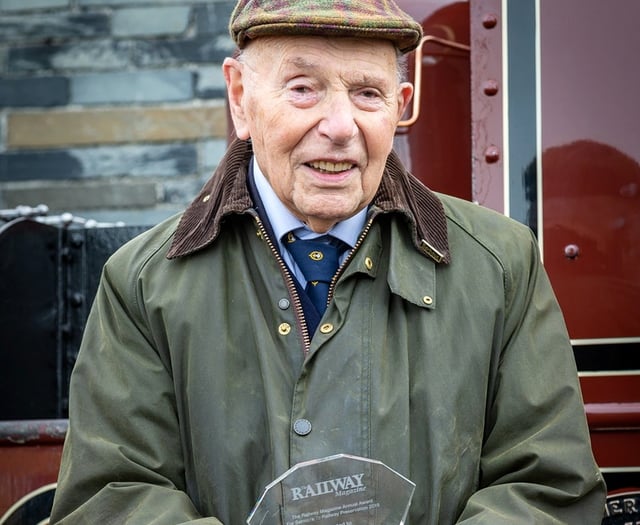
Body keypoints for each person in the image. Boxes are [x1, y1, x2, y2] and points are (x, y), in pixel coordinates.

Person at [50, 0, 606, 523]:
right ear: (239, 97)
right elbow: (110, 498)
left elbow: (550, 489)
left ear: (401, 105)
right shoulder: (142, 283)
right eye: (303, 88)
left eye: (368, 93)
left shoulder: (500, 265)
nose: (341, 127)